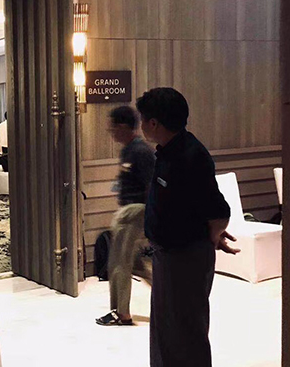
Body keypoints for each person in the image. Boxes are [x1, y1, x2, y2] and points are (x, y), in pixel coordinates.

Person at [136, 88, 239, 367]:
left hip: (185, 257)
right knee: (166, 330)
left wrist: (212, 235)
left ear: (154, 123)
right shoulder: (167, 152)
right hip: (167, 254)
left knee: (186, 331)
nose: (141, 125)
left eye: (143, 120)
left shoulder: (191, 155)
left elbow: (219, 211)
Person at [95, 106, 155, 326]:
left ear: (123, 126)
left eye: (113, 127)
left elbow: (151, 185)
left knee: (118, 263)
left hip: (134, 211)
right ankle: (170, 297)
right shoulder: (128, 150)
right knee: (135, 264)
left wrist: (151, 215)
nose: (111, 132)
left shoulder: (140, 151)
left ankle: (121, 314)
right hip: (129, 210)